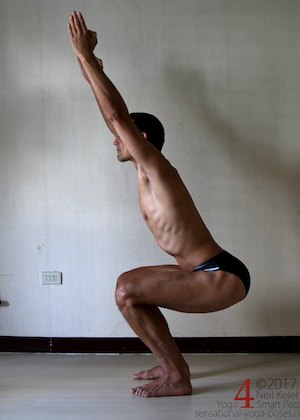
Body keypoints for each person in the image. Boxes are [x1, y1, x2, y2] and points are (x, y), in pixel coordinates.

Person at [68, 11, 250, 398]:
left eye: (123, 137)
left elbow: (118, 116)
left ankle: (178, 377)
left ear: (143, 137)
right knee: (129, 286)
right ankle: (171, 365)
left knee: (126, 291)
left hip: (220, 275)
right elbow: (112, 117)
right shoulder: (144, 169)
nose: (114, 140)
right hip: (204, 268)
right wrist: (89, 67)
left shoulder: (157, 166)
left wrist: (84, 56)